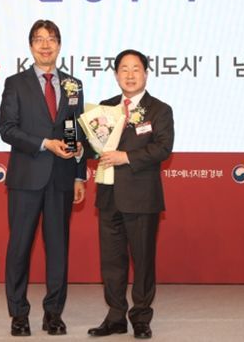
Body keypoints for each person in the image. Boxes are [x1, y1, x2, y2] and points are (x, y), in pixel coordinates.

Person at [0, 19, 86, 337]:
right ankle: (18, 314)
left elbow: (75, 128)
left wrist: (79, 174)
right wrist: (45, 143)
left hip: (62, 177)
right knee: (19, 247)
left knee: (58, 248)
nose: (45, 45)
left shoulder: (73, 84)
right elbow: (7, 130)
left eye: (51, 39)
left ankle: (53, 313)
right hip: (26, 178)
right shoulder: (15, 83)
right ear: (30, 45)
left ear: (59, 45)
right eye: (39, 39)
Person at [87, 49, 174, 340]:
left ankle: (141, 317)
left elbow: (163, 148)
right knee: (111, 261)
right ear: (116, 75)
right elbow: (94, 146)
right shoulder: (105, 108)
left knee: (143, 260)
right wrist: (79, 143)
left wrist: (126, 157)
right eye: (124, 69)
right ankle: (115, 317)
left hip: (141, 197)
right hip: (108, 195)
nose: (130, 74)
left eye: (136, 68)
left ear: (146, 74)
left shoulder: (159, 110)